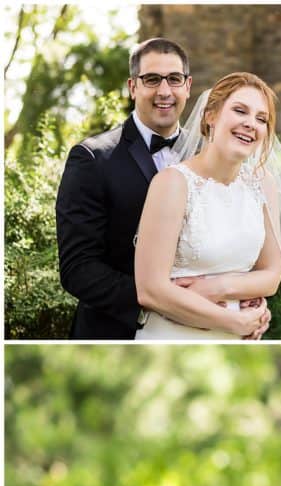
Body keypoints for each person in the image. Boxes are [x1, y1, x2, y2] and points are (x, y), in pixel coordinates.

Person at [134, 71, 281, 339]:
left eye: (261, 119)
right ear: (211, 116)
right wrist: (233, 322)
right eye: (240, 111)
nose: (250, 124)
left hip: (239, 339)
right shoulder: (172, 183)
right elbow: (150, 290)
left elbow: (272, 275)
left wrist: (216, 288)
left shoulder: (262, 183)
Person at [55, 38, 197, 339]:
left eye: (174, 79)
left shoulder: (206, 156)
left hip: (201, 327)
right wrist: (161, 301)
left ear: (187, 86)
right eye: (152, 79)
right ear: (133, 87)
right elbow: (78, 268)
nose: (164, 91)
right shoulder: (92, 158)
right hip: (117, 335)